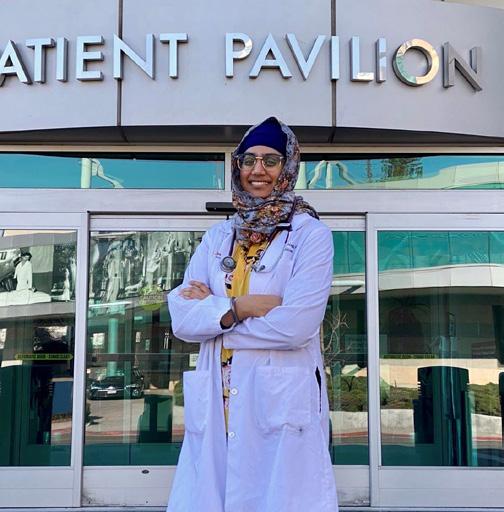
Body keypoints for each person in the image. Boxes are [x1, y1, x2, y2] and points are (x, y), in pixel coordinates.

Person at [167, 117, 338, 512]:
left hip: (278, 400)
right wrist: (240, 308)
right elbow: (182, 319)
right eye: (248, 160)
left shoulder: (310, 235)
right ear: (237, 166)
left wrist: (216, 322)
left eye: (271, 160)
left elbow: (297, 326)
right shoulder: (218, 235)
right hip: (219, 398)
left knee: (279, 495)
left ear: (288, 167)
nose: (257, 170)